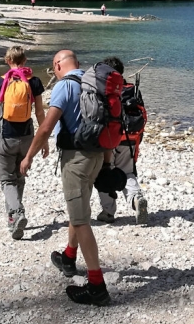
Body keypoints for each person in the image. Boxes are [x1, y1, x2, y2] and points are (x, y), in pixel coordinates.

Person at [21, 50, 111, 306]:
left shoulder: (65, 86)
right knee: (78, 208)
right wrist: (107, 163)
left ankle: (97, 286)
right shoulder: (94, 83)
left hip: (75, 160)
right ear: (78, 64)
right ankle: (69, 257)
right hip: (97, 156)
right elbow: (105, 123)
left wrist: (28, 156)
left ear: (58, 65)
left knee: (81, 221)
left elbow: (46, 127)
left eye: (54, 69)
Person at [0, 45, 46, 240]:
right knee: (19, 177)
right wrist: (44, 140)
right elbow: (39, 113)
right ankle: (13, 220)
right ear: (25, 60)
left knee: (7, 180)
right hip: (27, 137)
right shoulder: (34, 82)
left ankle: (17, 211)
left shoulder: (1, 81)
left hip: (6, 137)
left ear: (7, 60)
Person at [96, 56, 149, 226]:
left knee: (105, 172)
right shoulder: (132, 89)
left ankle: (108, 212)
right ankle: (136, 199)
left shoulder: (104, 89)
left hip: (110, 139)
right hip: (130, 138)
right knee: (128, 172)